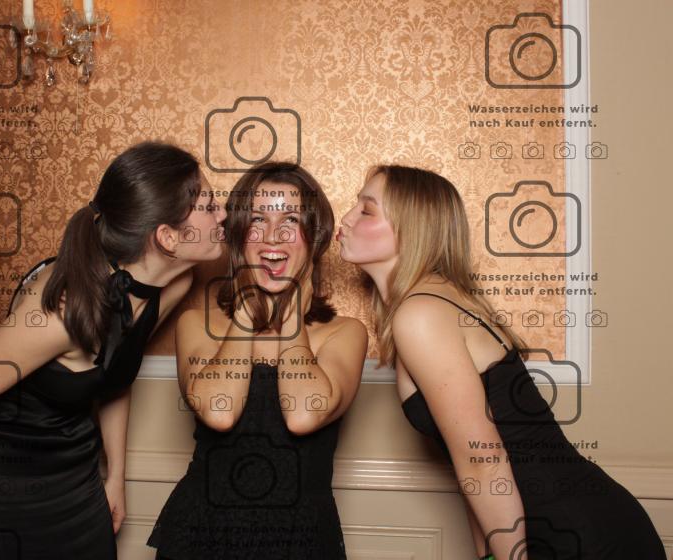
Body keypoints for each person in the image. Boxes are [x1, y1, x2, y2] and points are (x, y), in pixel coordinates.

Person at [337, 164, 666, 559]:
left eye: (366, 210)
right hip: (567, 521)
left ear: (413, 229)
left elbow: (483, 462)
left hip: (576, 532)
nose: (347, 218)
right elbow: (471, 466)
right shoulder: (435, 300)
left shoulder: (421, 313)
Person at [0, 141, 227, 559]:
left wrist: (115, 477)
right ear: (168, 238)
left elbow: (115, 375)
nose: (223, 215)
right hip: (4, 488)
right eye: (209, 207)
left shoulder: (173, 285)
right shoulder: (61, 313)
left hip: (77, 482)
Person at [147, 162, 368, 559]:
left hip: (300, 539)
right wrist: (248, 310)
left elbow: (303, 414)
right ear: (237, 235)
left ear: (315, 237)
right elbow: (219, 412)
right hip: (201, 534)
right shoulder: (197, 324)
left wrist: (293, 309)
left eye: (291, 220)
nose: (272, 236)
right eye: (257, 219)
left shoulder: (345, 333)